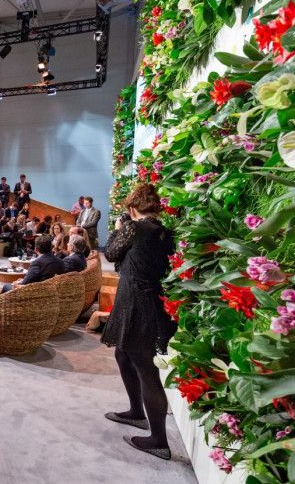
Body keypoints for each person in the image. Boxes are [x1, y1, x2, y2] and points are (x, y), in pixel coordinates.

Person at [100, 184, 176, 460]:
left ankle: (158, 440)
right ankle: (136, 412)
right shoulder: (165, 232)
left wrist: (119, 228)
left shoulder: (133, 228)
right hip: (150, 300)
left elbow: (110, 253)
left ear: (132, 209)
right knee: (123, 355)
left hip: (135, 303)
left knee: (146, 370)